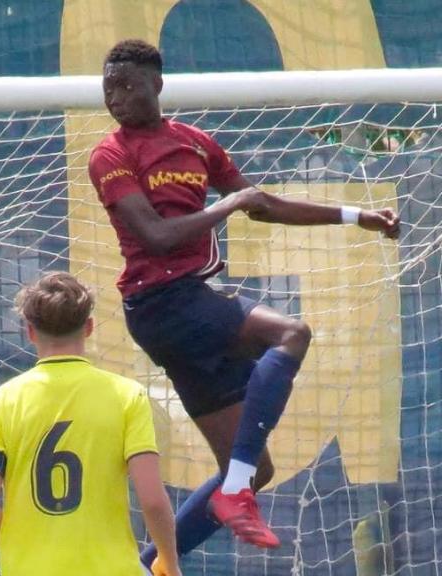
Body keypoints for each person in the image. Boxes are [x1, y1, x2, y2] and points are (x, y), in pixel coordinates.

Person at [88, 39, 401, 572]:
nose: (116, 97)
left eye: (128, 86)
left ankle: (147, 566)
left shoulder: (194, 144)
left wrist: (356, 216)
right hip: (162, 301)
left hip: (184, 306)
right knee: (291, 334)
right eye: (108, 87)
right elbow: (158, 237)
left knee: (258, 469)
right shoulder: (110, 154)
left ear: (156, 86)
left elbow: (265, 204)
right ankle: (233, 491)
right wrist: (229, 203)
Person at [0, 271, 180, 576]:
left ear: (30, 331)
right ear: (89, 328)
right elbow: (152, 500)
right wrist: (170, 565)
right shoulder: (126, 395)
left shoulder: (2, 401)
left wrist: (20, 551)